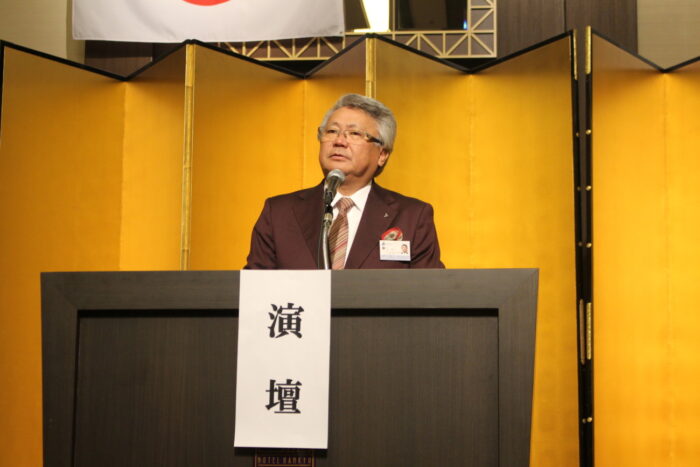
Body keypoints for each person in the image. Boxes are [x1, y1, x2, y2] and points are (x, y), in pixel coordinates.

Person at [244, 93, 444, 269]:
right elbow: (253, 290)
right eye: (331, 131)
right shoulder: (279, 213)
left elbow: (430, 291)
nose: (339, 141)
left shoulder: (412, 217)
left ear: (382, 154)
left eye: (354, 133)